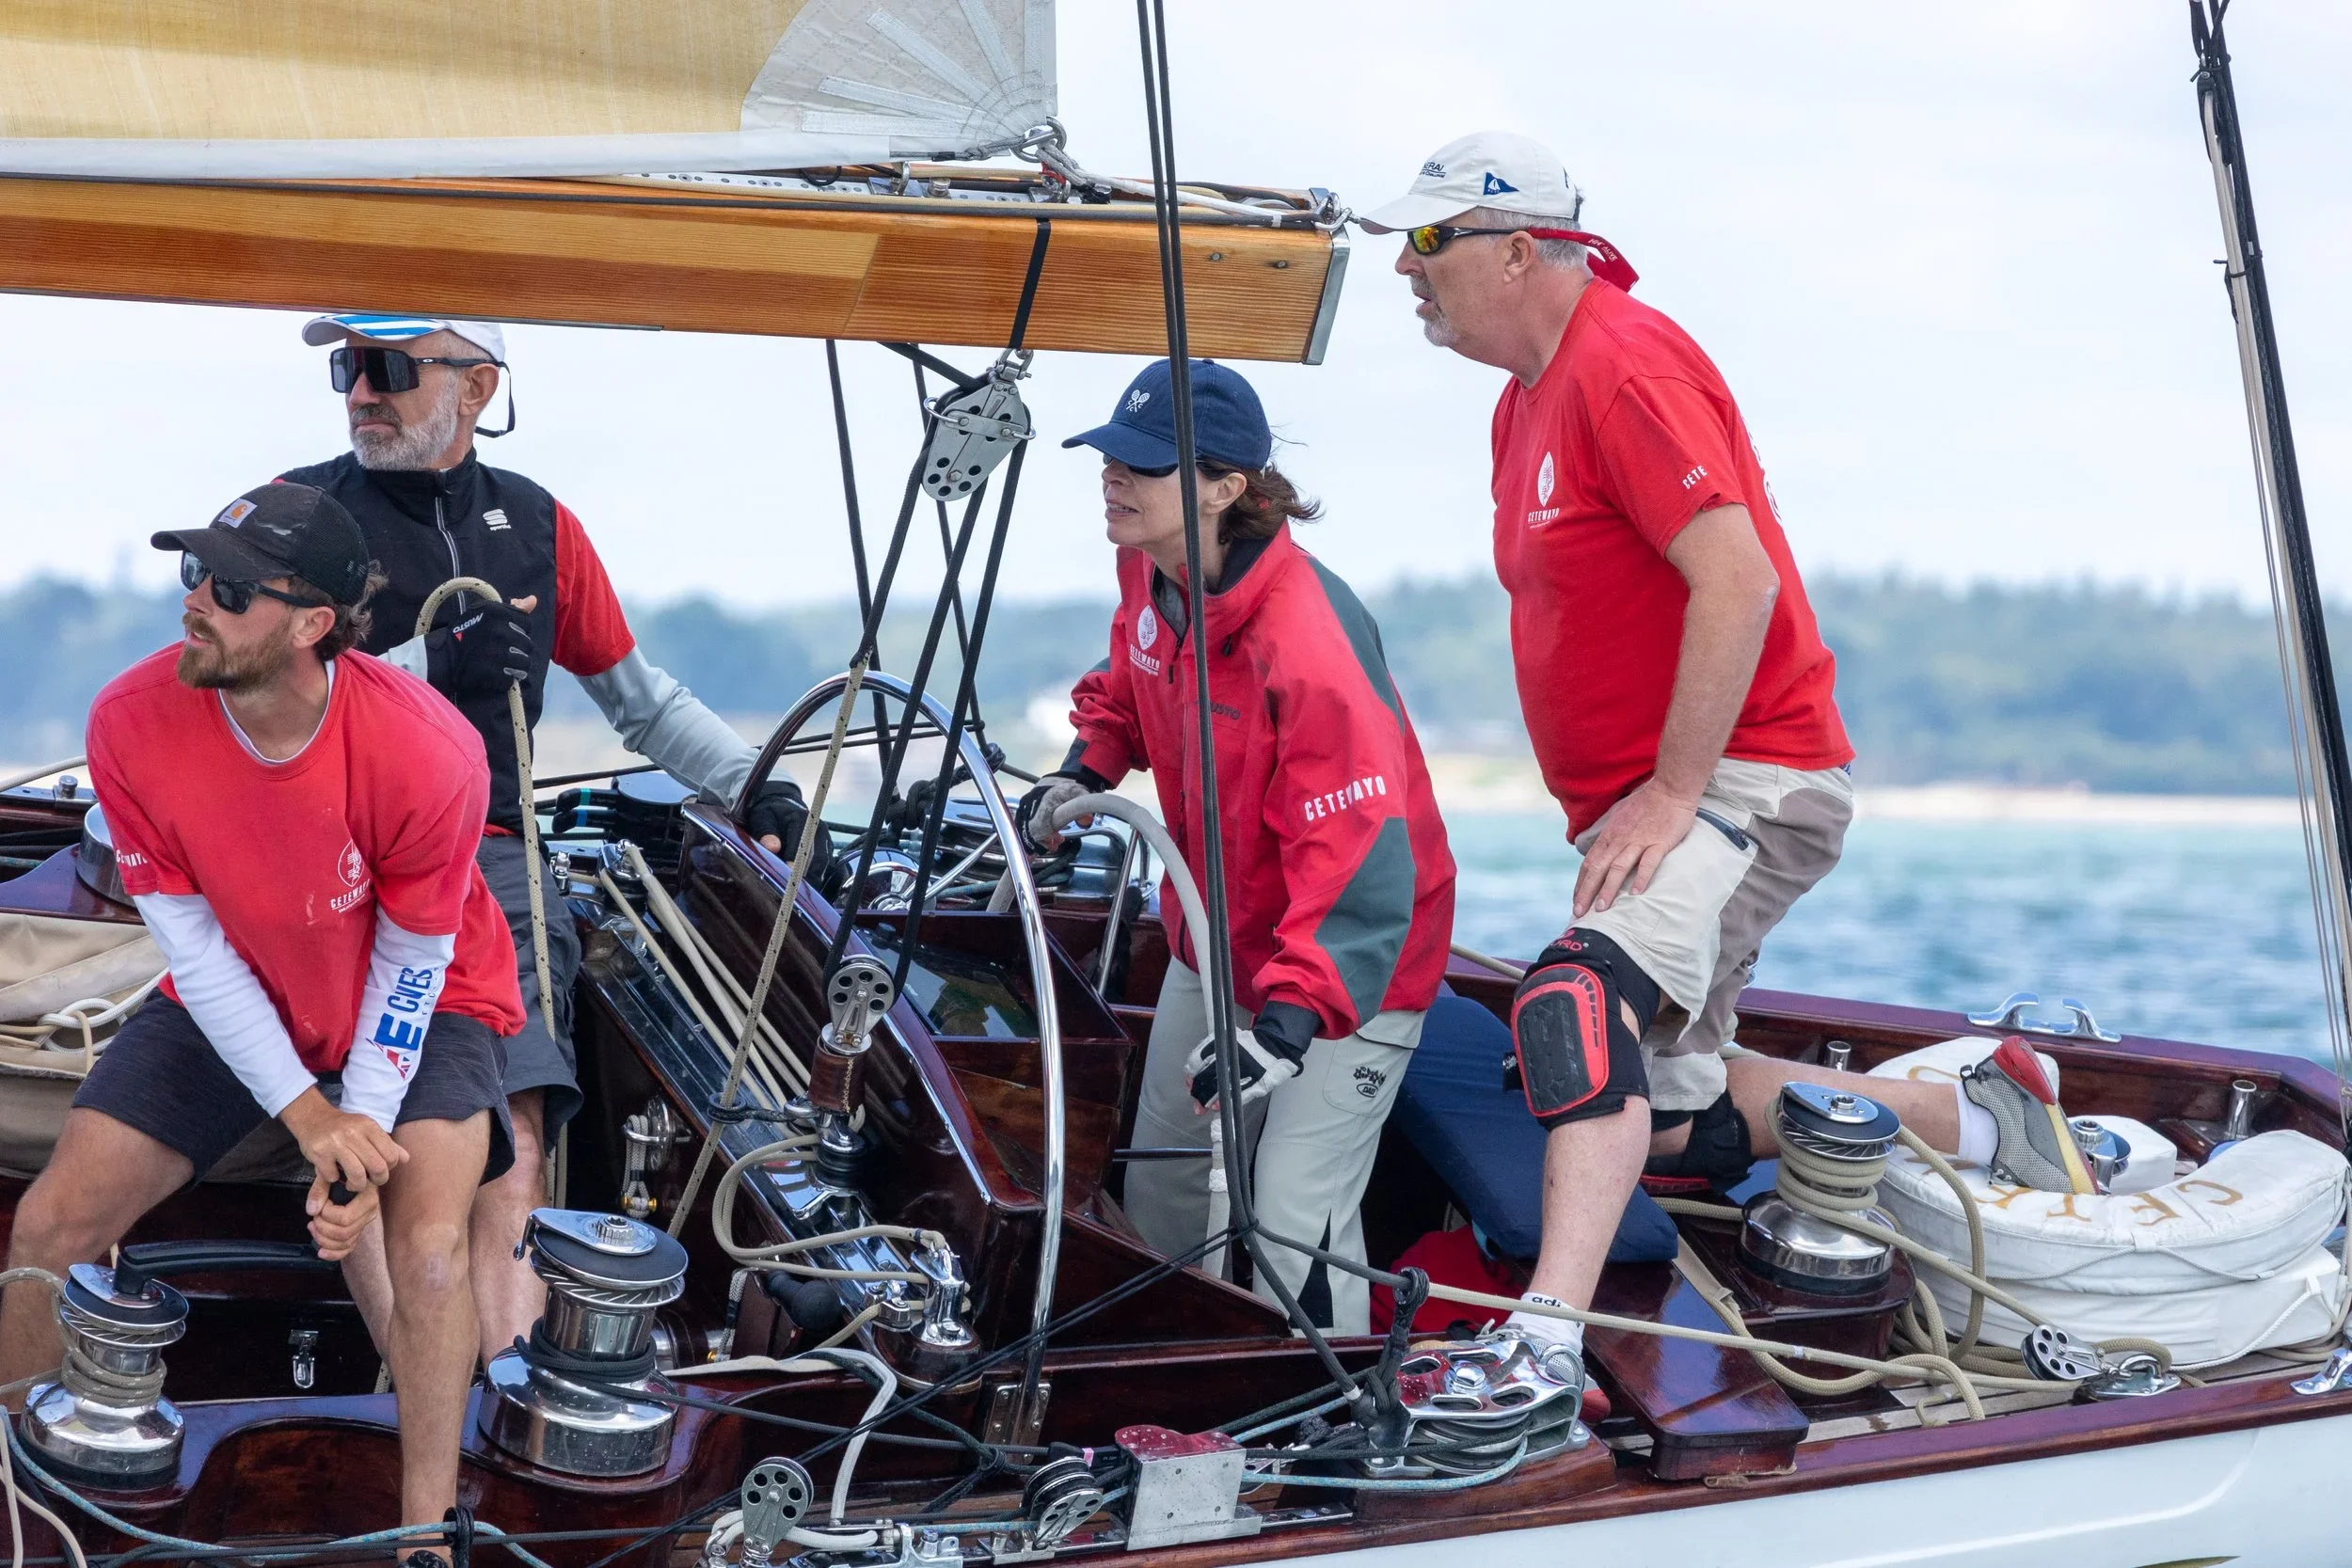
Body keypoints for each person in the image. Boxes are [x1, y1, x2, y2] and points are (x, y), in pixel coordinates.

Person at [1361, 132, 2094, 1376]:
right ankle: (1979, 1111)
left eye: (1428, 243)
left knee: (1573, 1006)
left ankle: (1545, 1341)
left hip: (1746, 779)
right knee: (1675, 1114)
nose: (1407, 271)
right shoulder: (1521, 403)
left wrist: (1675, 787)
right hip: (1652, 809)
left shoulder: (1624, 365)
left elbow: (1736, 577)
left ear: (1520, 249)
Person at [0, 483, 523, 1560]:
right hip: (235, 987)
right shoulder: (129, 721)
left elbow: (416, 956)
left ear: (311, 624)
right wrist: (308, 1117)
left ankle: (428, 1533)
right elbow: (191, 948)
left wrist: (359, 1137)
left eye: (230, 587)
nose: (196, 602)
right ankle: (15, 1494)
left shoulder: (429, 749)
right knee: (50, 1222)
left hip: (425, 998)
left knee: (426, 1246)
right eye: (191, 574)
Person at [278, 312, 809, 1365]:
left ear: (477, 389)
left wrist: (764, 787)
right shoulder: (296, 519)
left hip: (491, 864)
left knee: (508, 1139)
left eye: (386, 367)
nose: (359, 391)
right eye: (348, 368)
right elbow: (263, 715)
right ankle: (429, 1403)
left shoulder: (537, 526)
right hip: (332, 863)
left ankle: (508, 1396)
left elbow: (642, 703)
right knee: (371, 1144)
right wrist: (430, 663)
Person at [1017, 360, 1458, 1336]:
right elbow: (1132, 676)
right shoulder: (1151, 565)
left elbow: (1361, 859)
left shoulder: (1307, 643)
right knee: (1166, 1182)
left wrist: (1289, 1025)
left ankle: (1322, 1420)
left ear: (1224, 487)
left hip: (1354, 972)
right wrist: (1085, 769)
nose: (1112, 479)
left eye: (1142, 464)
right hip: (1216, 938)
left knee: (1291, 1216)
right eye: (1109, 457)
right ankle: (1173, 1376)